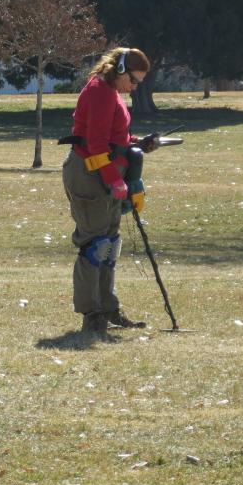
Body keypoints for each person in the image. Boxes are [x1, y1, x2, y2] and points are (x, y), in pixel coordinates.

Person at [62, 47, 153, 335]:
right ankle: (92, 314)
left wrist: (138, 142)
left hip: (104, 172)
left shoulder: (111, 91)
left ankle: (108, 308)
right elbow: (96, 143)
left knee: (110, 244)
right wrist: (114, 180)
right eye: (134, 80)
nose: (134, 87)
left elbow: (115, 136)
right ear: (121, 70)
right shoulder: (100, 91)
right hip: (90, 174)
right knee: (95, 245)